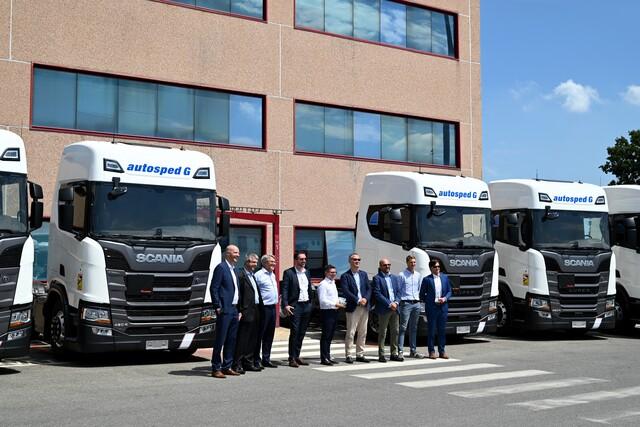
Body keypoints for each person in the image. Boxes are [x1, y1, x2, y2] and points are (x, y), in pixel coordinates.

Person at [210, 245, 241, 378]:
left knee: (231, 339)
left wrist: (239, 309)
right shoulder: (221, 268)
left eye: (238, 252)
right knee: (220, 340)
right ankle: (216, 368)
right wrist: (217, 306)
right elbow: (214, 288)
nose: (238, 255)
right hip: (224, 309)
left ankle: (227, 366)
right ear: (228, 254)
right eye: (235, 252)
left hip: (234, 309)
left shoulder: (234, 269)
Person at [281, 250, 313, 367]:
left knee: (302, 332)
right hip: (295, 306)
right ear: (296, 260)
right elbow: (285, 289)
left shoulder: (307, 272)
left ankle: (297, 355)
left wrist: (311, 303)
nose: (303, 261)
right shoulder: (289, 273)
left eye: (305, 259)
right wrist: (285, 304)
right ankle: (291, 358)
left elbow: (308, 288)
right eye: (301, 259)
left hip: (306, 305)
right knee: (295, 331)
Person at [233, 253, 263, 374]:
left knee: (252, 338)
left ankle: (248, 362)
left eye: (256, 262)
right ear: (246, 262)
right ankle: (237, 363)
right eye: (253, 262)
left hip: (255, 309)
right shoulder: (241, 274)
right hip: (246, 310)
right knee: (243, 338)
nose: (255, 264)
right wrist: (240, 310)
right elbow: (239, 294)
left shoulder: (252, 275)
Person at [341, 252, 371, 364]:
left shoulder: (363, 274)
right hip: (353, 307)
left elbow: (369, 288)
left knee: (363, 332)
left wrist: (365, 299)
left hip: (364, 306)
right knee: (351, 332)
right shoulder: (345, 276)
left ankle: (360, 354)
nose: (357, 261)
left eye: (358, 259)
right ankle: (349, 354)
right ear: (350, 261)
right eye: (354, 259)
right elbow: (346, 291)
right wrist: (358, 300)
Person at [420, 260, 452, 360]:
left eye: (438, 266)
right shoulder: (427, 279)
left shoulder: (445, 277)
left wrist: (445, 298)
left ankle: (442, 351)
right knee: (431, 330)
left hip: (443, 307)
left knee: (442, 330)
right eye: (435, 267)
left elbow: (449, 291)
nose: (437, 268)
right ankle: (431, 351)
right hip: (432, 308)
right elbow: (422, 295)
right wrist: (430, 301)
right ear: (431, 268)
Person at [372, 258, 402, 363]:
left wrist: (396, 302)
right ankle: (381, 354)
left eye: (389, 264)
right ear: (380, 266)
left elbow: (399, 292)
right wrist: (389, 303)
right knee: (383, 332)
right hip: (384, 308)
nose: (387, 266)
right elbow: (377, 293)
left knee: (395, 331)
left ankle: (394, 353)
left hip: (395, 308)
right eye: (385, 265)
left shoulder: (395, 277)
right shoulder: (377, 278)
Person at [254, 254, 279, 368]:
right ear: (264, 263)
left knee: (269, 335)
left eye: (274, 261)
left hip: (272, 307)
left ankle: (266, 358)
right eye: (271, 262)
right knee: (260, 334)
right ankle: (256, 359)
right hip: (263, 308)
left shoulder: (272, 274)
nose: (274, 263)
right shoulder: (258, 275)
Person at [317, 264, 345, 365]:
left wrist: (339, 302)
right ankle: (324, 358)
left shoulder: (333, 283)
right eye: (331, 272)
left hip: (334, 311)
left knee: (330, 335)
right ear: (326, 273)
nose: (333, 274)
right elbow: (322, 300)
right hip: (327, 312)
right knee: (326, 335)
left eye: (335, 272)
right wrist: (335, 304)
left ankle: (328, 356)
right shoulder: (323, 284)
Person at [398, 255, 424, 359]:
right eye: (411, 262)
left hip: (416, 303)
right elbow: (399, 290)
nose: (413, 264)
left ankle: (413, 351)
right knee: (403, 328)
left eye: (414, 262)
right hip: (406, 303)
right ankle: (400, 351)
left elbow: (419, 288)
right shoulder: (402, 275)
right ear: (407, 263)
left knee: (414, 328)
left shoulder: (418, 275)